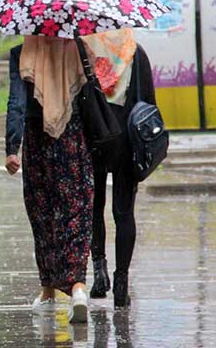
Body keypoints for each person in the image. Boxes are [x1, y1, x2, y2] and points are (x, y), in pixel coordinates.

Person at [5, 36, 94, 324]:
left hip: (37, 140)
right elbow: (92, 93)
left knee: (42, 215)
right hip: (73, 138)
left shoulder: (22, 53)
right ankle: (78, 288)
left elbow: (16, 102)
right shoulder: (78, 49)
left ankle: (48, 293)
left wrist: (11, 147)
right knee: (76, 212)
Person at [86, 30, 157, 308]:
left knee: (94, 207)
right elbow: (149, 103)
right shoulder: (136, 53)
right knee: (124, 213)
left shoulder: (86, 52)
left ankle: (99, 272)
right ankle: (121, 283)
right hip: (127, 141)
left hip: (94, 139)